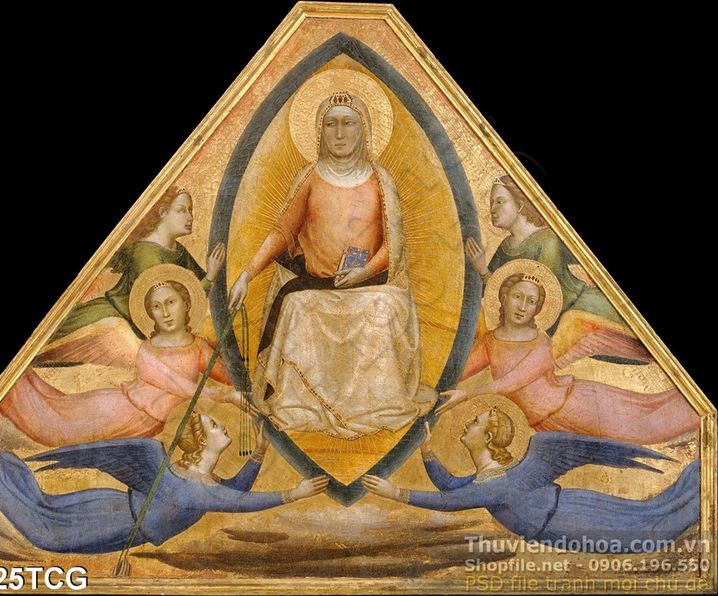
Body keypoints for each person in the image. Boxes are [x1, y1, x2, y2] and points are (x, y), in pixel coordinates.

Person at [227, 87, 428, 439]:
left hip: (370, 287)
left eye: (348, 124)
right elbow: (283, 231)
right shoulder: (310, 177)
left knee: (383, 308)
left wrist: (365, 272)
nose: (339, 133)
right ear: (320, 132)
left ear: (364, 129)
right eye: (331, 124)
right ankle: (301, 407)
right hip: (315, 287)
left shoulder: (381, 181)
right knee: (297, 307)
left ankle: (375, 406)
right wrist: (247, 274)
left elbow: (393, 247)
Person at [363, 407, 699, 553]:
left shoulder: (497, 482)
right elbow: (452, 487)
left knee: (650, 530)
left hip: (572, 516)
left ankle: (704, 491)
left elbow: (449, 501)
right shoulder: (489, 478)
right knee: (650, 518)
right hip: (563, 516)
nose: (467, 425)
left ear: (488, 437)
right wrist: (427, 451)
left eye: (475, 422)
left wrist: (396, 493)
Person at [0, 412, 329, 554]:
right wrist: (290, 494)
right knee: (47, 534)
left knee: (46, 522)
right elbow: (234, 502)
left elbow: (233, 492)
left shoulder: (202, 482)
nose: (223, 427)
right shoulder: (187, 484)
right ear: (201, 441)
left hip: (127, 525)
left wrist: (259, 452)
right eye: (214, 425)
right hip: (113, 515)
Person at [435, 270, 699, 444]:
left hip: (577, 404)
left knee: (645, 424)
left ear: (538, 309)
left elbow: (514, 381)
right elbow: (453, 374)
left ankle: (701, 413)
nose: (523, 306)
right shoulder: (491, 342)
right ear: (503, 298)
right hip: (548, 423)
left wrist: (468, 394)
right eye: (517, 297)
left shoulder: (542, 344)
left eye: (531, 301)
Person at [0, 277, 247, 446]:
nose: (165, 312)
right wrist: (223, 396)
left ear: (187, 304)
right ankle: (7, 383)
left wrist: (241, 372)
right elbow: (174, 383)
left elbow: (232, 377)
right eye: (156, 306)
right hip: (118, 410)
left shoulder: (199, 347)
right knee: (55, 426)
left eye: (171, 302)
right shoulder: (146, 350)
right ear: (150, 313)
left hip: (143, 423)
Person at [465, 175, 650, 366]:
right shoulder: (505, 247)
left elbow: (545, 292)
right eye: (491, 203)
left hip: (586, 308)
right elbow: (492, 292)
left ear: (519, 203)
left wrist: (484, 271)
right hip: (561, 327)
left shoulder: (547, 240)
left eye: (500, 201)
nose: (492, 209)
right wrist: (479, 270)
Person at [38, 184, 225, 367]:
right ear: (162, 212)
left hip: (141, 325)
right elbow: (167, 302)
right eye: (181, 210)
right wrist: (209, 278)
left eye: (190, 210)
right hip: (111, 318)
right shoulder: (146, 253)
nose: (190, 217)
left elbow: (197, 286)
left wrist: (212, 278)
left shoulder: (177, 250)